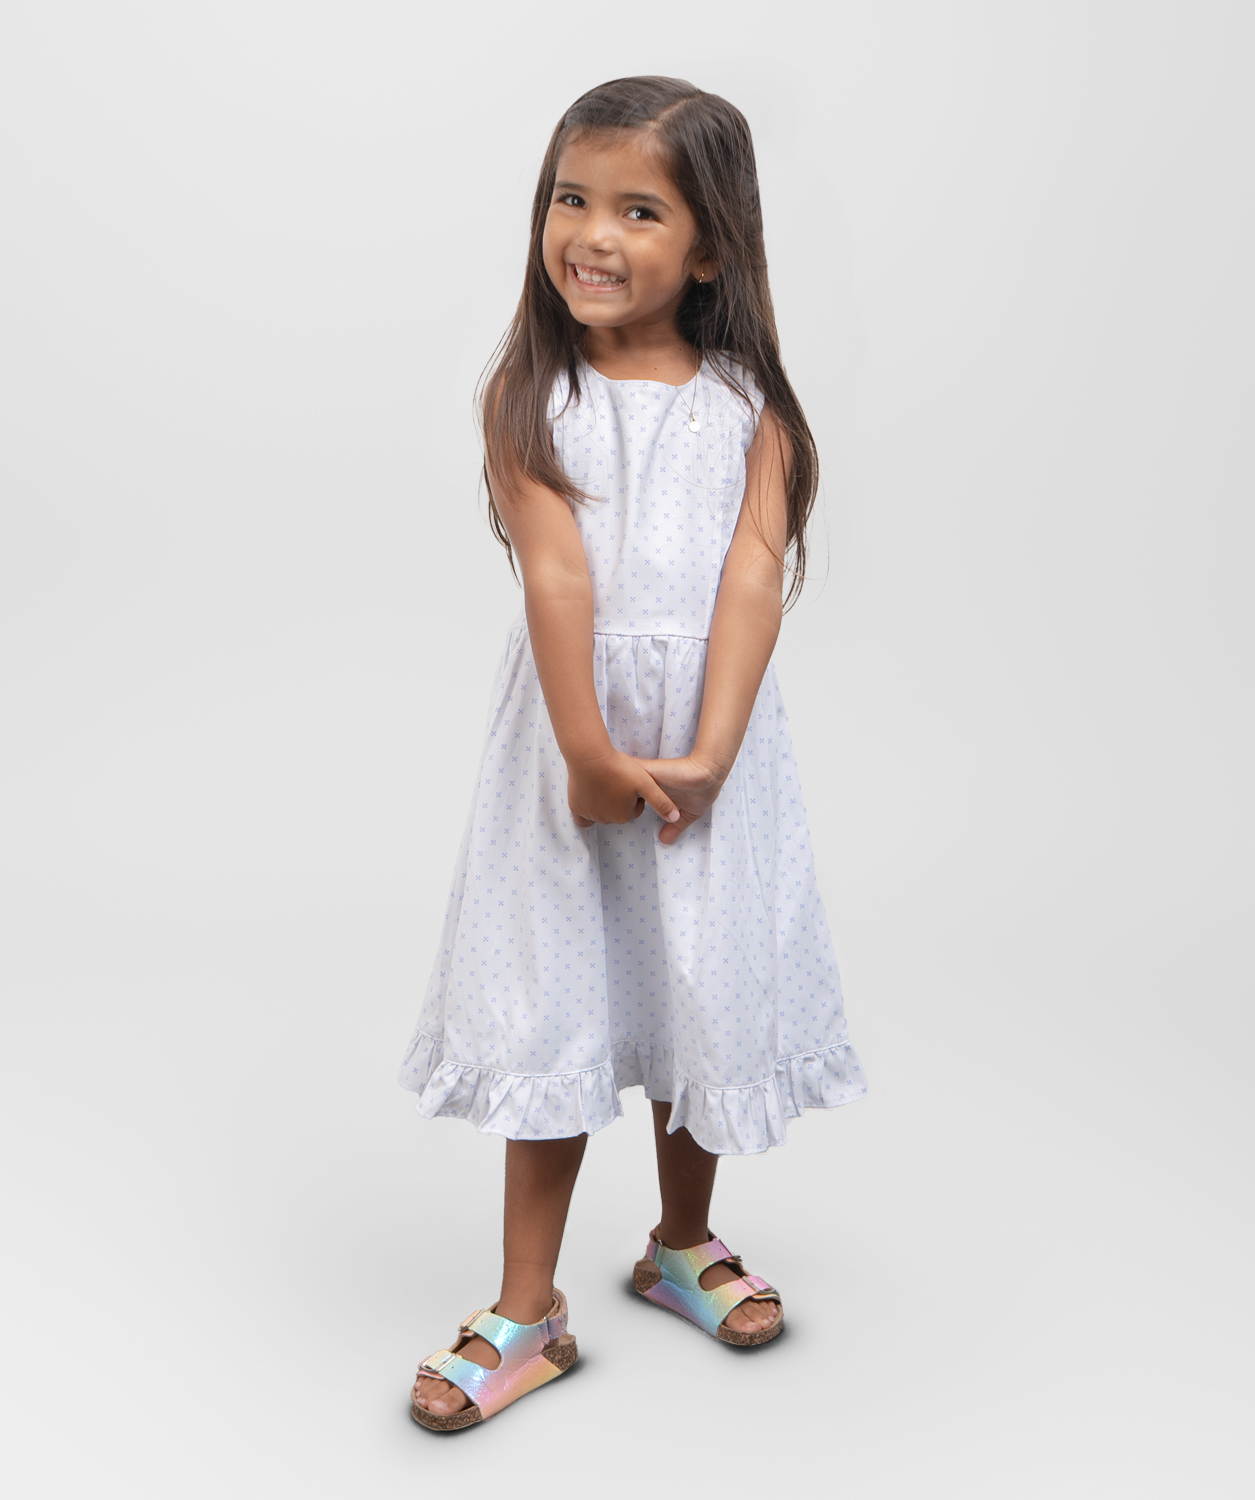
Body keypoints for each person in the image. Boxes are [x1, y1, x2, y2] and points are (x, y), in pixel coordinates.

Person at [398, 75, 865, 1431]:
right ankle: (526, 1309)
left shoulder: (749, 406)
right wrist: (589, 751)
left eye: (639, 210)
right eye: (572, 198)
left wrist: (712, 749)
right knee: (554, 998)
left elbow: (753, 578)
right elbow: (556, 577)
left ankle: (680, 1244)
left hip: (712, 741)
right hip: (572, 743)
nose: (592, 234)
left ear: (711, 246)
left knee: (692, 984)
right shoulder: (530, 396)